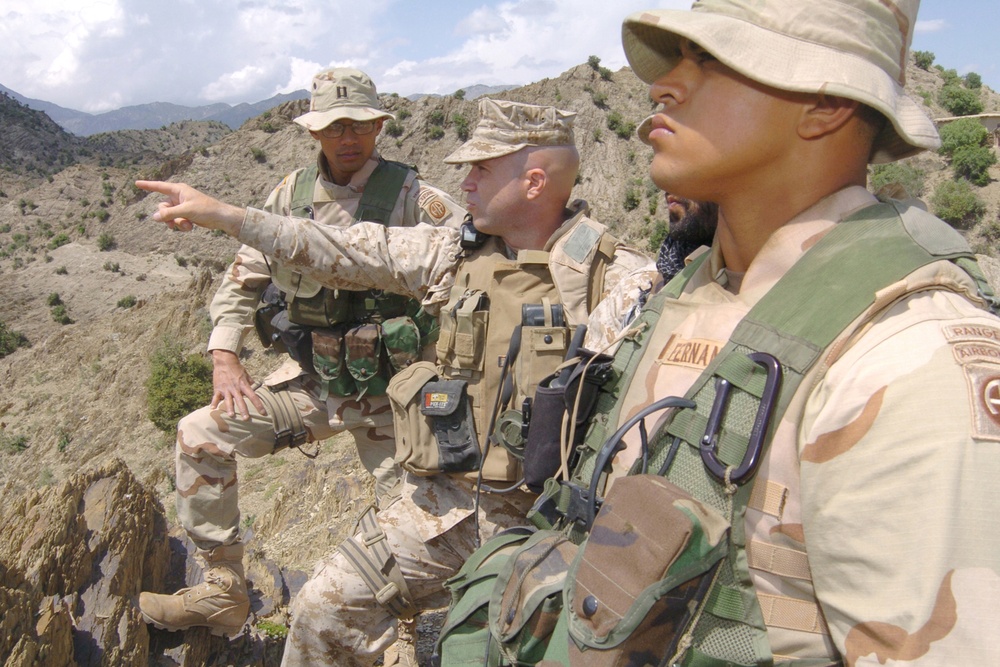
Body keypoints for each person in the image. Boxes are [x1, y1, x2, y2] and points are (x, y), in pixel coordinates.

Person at [478, 1, 1000, 664]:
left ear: (824, 104)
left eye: (712, 60)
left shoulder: (907, 362)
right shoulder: (686, 287)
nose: (663, 87)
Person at [136, 98, 650, 666]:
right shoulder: (454, 251)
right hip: (453, 499)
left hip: (552, 518)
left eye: (481, 169)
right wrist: (231, 217)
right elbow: (347, 248)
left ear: (533, 182)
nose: (465, 181)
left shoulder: (618, 282)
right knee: (323, 608)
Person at [137, 67, 465, 638]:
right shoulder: (288, 198)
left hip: (398, 396)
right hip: (316, 383)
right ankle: (223, 591)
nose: (348, 138)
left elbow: (469, 269)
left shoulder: (414, 197)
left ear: (380, 125)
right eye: (335, 126)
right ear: (314, 132)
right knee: (200, 434)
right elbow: (243, 278)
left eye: (360, 125)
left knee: (415, 519)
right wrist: (225, 355)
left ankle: (404, 639)